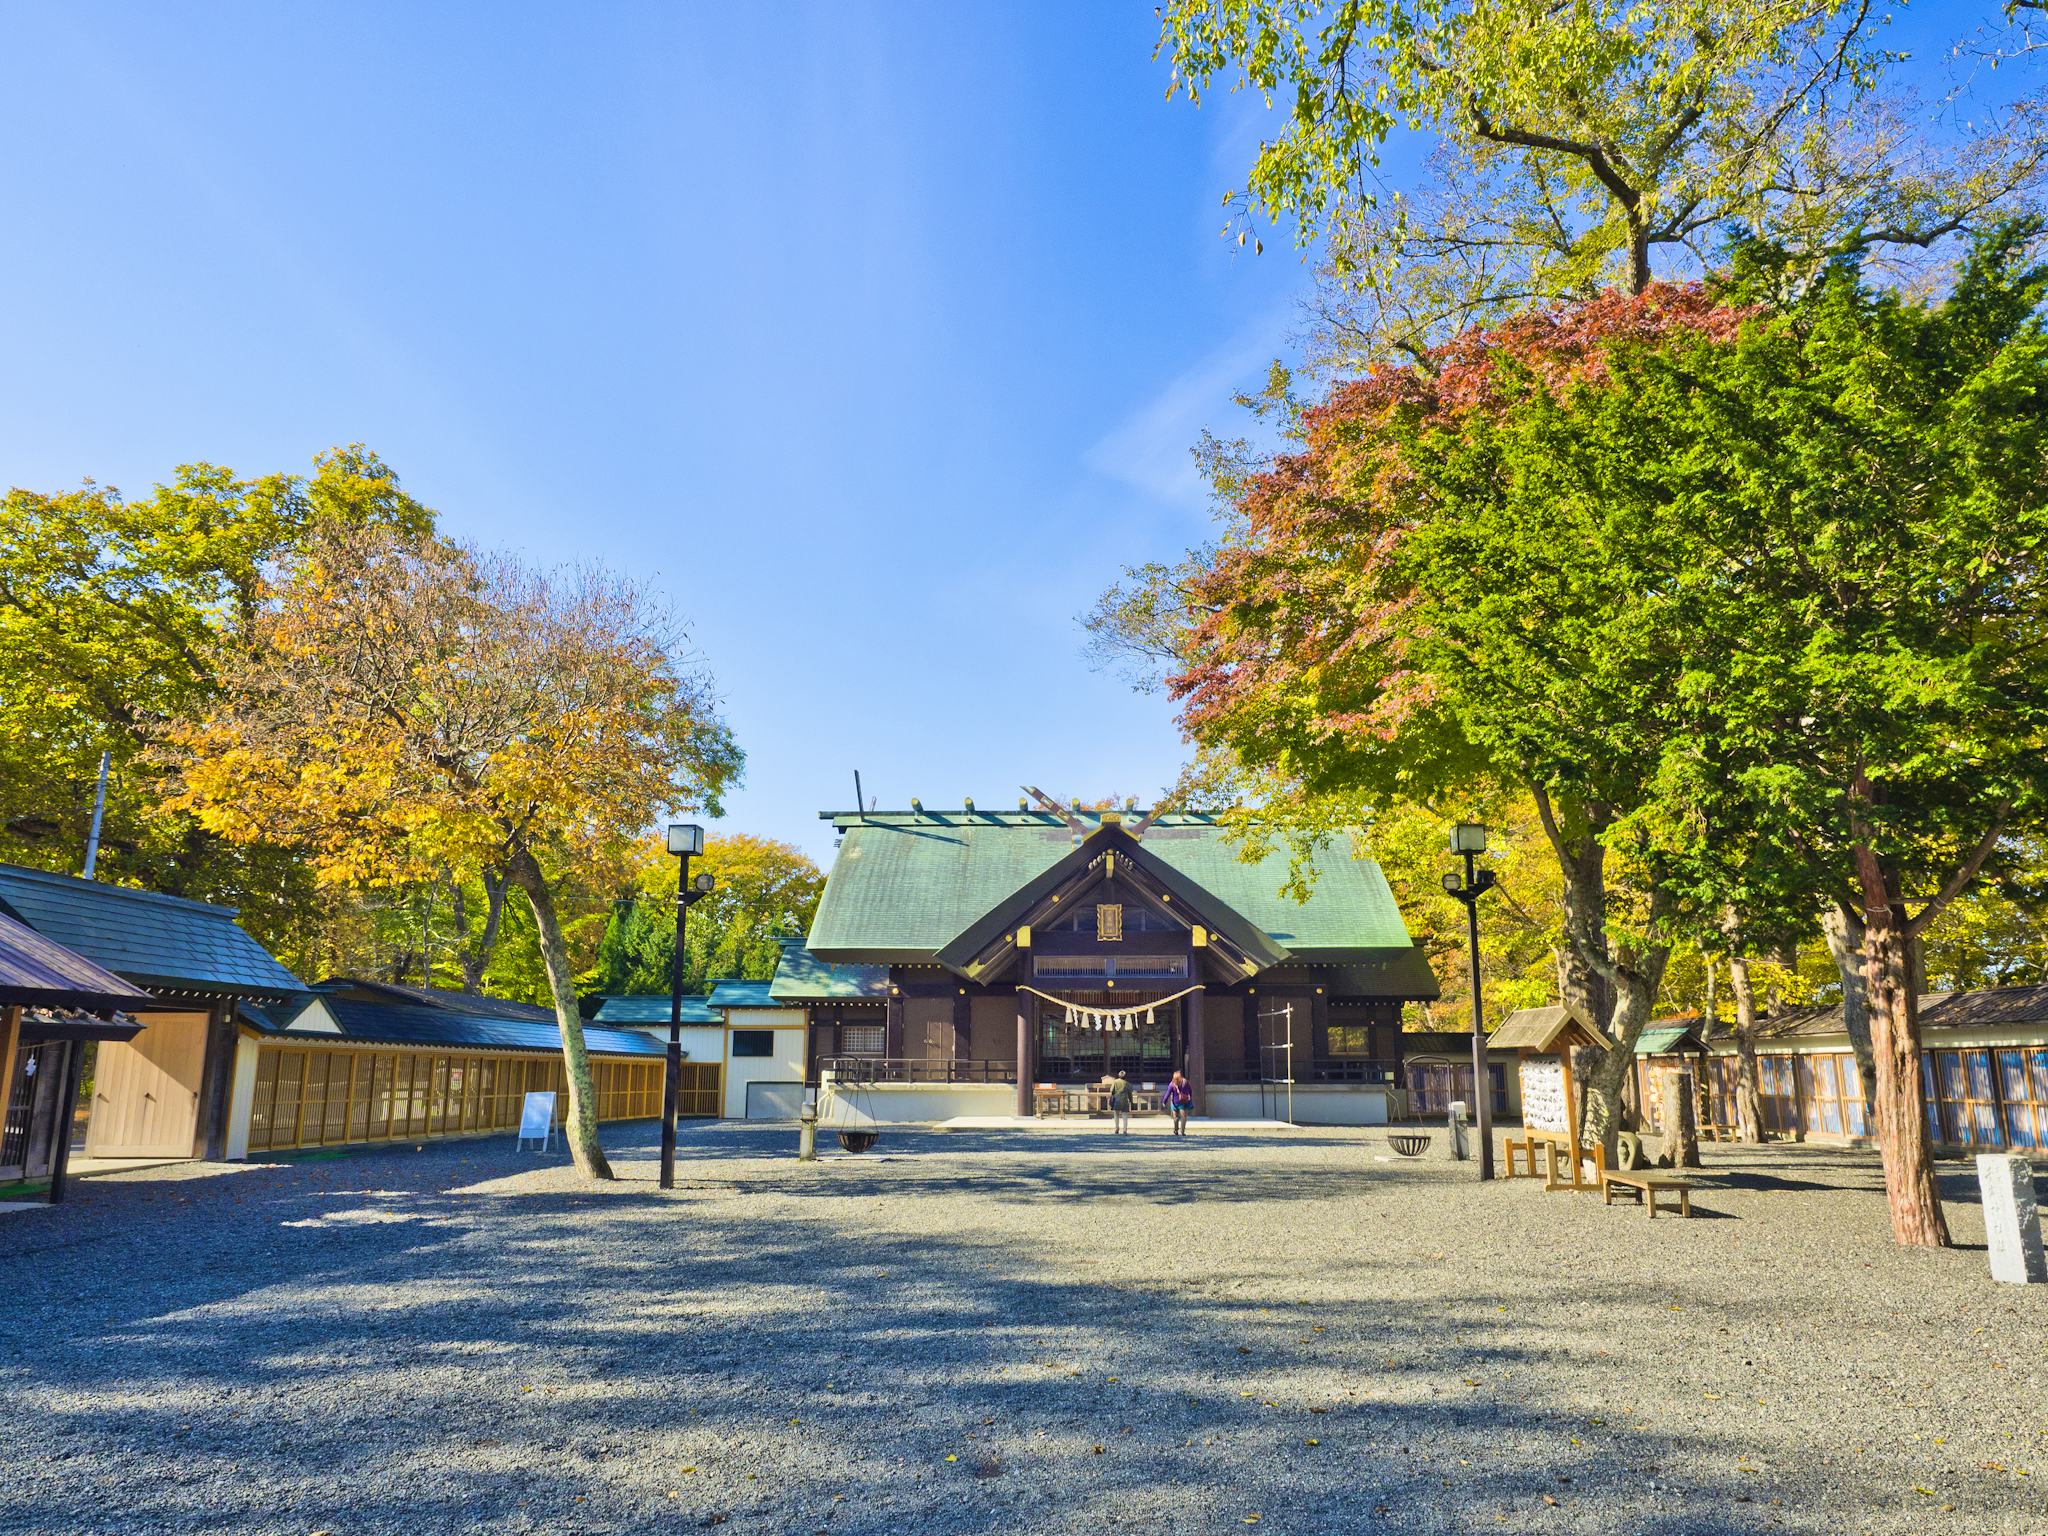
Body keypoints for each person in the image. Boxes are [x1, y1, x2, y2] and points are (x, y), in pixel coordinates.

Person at [1164, 1070, 1192, 1137]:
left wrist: (1164, 1101)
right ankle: (1182, 1131)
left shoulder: (1172, 1084)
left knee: (1175, 1117)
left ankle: (1176, 1130)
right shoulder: (1185, 1082)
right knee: (1183, 1117)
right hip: (1182, 1102)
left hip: (1174, 1102)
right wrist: (1189, 1097)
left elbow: (1168, 1093)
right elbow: (1190, 1091)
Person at [1109, 1070, 1134, 1135]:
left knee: (1116, 1115)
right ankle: (1125, 1130)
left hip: (1116, 1099)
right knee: (1125, 1116)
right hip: (1124, 1100)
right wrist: (1131, 1101)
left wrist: (1112, 1097)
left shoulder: (1115, 1082)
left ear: (1118, 1075)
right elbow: (1130, 1093)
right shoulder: (1127, 1083)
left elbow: (1111, 1091)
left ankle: (1117, 1128)